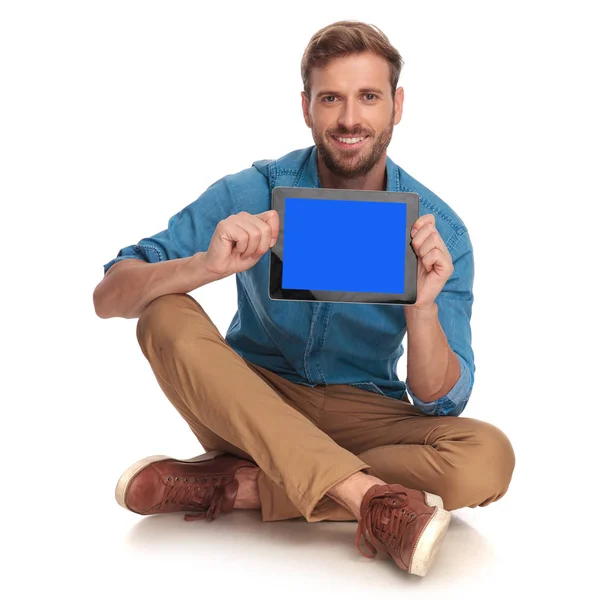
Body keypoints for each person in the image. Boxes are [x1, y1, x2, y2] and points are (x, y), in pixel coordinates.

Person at [93, 20, 515, 577]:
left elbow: (441, 401)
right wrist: (205, 266)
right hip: (250, 400)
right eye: (331, 98)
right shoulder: (253, 189)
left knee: (488, 457)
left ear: (397, 105)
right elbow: (109, 296)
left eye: (368, 97)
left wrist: (423, 307)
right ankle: (369, 498)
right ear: (306, 107)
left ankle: (242, 487)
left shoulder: (443, 234)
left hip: (365, 410)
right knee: (163, 312)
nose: (349, 119)